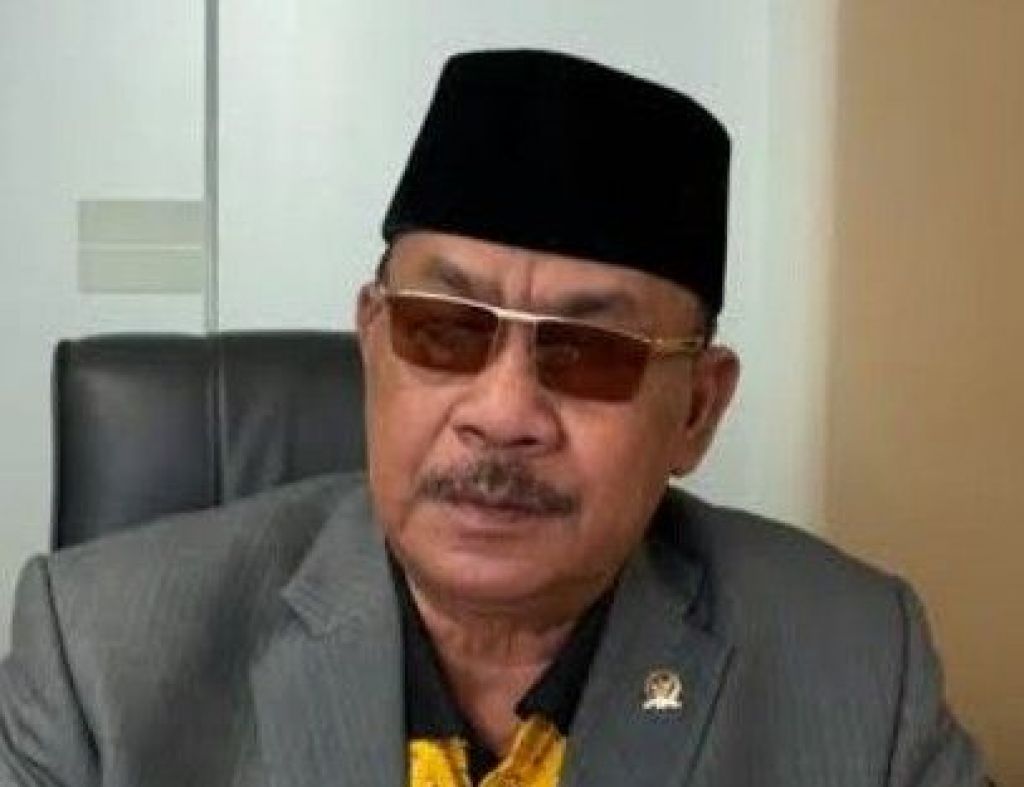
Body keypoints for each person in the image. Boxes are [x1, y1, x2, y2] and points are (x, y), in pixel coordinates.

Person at [0, 49, 986, 786]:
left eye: (588, 351)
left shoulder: (856, 663)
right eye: (443, 330)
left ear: (695, 409)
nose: (504, 412)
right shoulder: (102, 659)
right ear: (374, 342)